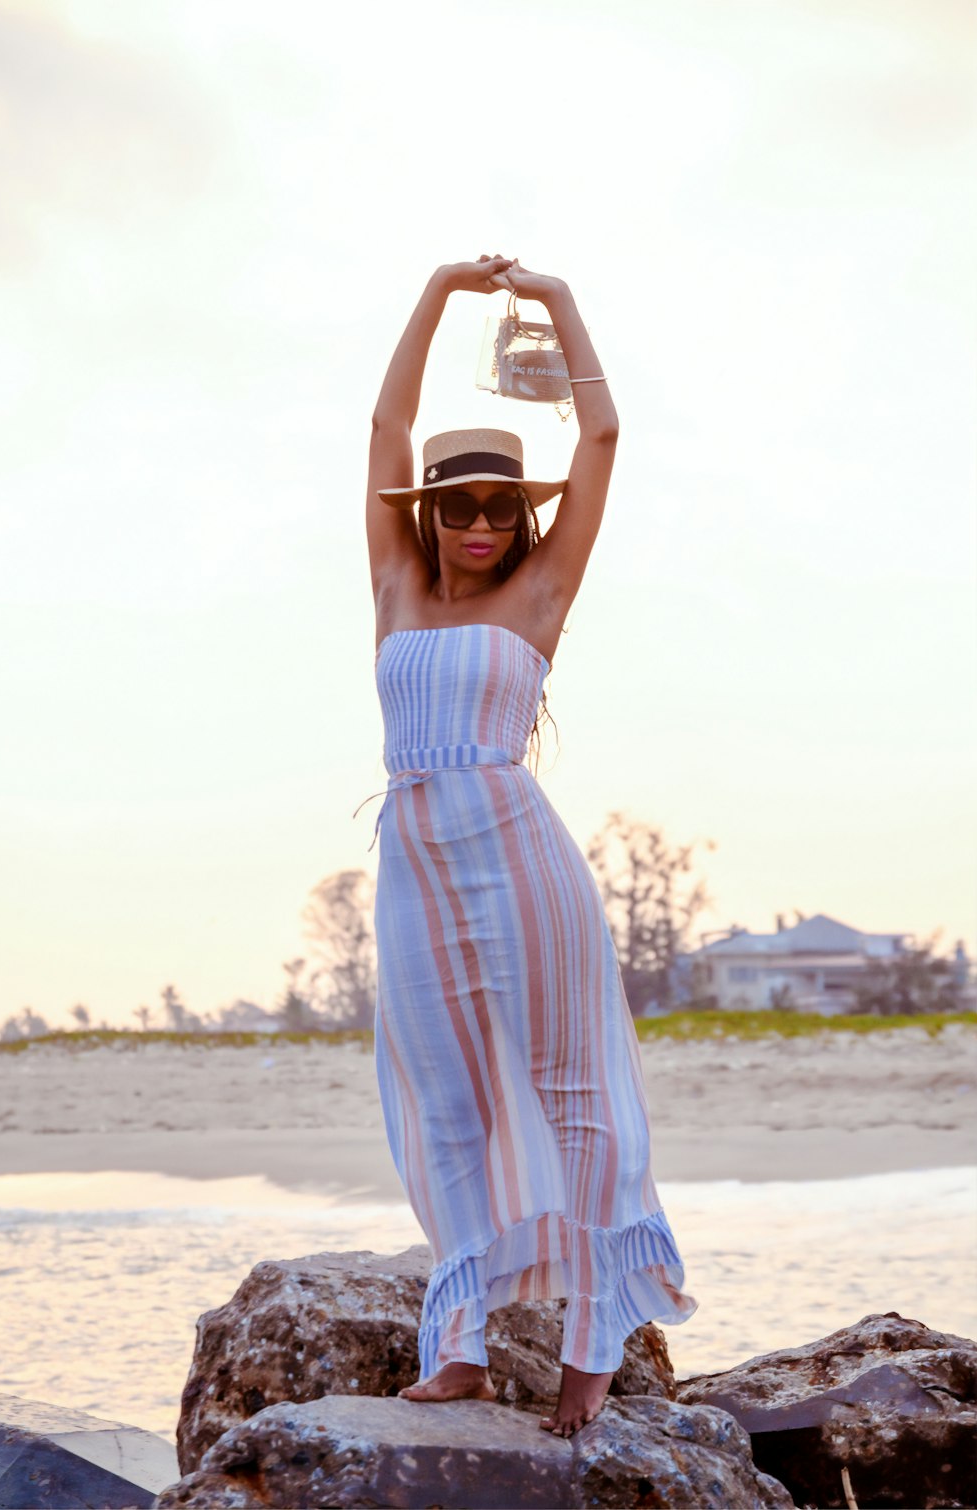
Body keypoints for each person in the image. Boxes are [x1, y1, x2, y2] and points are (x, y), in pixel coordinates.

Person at [364, 256, 697, 1438]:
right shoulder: (399, 584)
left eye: (499, 507)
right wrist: (442, 290)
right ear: (427, 514)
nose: (473, 523)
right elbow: (387, 423)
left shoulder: (543, 595)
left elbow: (602, 432)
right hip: (412, 851)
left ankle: (594, 1341)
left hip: (518, 848)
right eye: (454, 505)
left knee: (573, 1095)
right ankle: (453, 1342)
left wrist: (554, 302)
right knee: (439, 1100)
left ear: (522, 518)